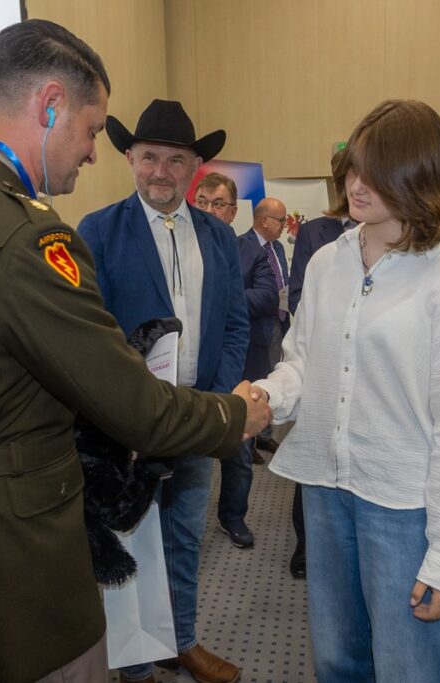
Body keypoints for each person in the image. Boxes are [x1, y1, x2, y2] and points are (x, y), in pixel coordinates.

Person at [0, 22, 268, 683]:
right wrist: (232, 416)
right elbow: (128, 402)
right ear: (50, 105)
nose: (94, 153)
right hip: (24, 548)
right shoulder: (28, 241)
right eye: (92, 128)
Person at [255, 99, 440, 683]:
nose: (355, 184)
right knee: (338, 658)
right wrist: (266, 396)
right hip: (325, 488)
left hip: (405, 504)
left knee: (413, 667)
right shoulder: (326, 262)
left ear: (416, 175)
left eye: (375, 172)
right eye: (353, 168)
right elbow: (304, 363)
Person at [78, 100, 247, 683]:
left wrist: (216, 402)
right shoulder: (97, 231)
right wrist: (123, 411)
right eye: (149, 156)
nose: (160, 171)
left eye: (175, 160)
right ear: (129, 157)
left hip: (197, 418)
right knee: (134, 545)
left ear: (194, 166)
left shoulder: (220, 240)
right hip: (128, 428)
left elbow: (235, 327)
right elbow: (87, 336)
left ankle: (183, 640)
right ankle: (134, 664)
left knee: (184, 537)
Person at [284, 148, 359, 580]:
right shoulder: (316, 233)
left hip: (367, 374)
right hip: (319, 366)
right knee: (312, 460)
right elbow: (298, 296)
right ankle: (305, 545)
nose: (356, 186)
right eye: (348, 177)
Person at [195, 174, 277, 548]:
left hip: (237, 368)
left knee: (239, 453)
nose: (209, 210)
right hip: (189, 373)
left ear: (231, 211)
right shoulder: (181, 242)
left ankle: (233, 517)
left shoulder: (250, 251)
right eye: (202, 202)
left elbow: (266, 297)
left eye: (217, 203)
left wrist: (221, 298)